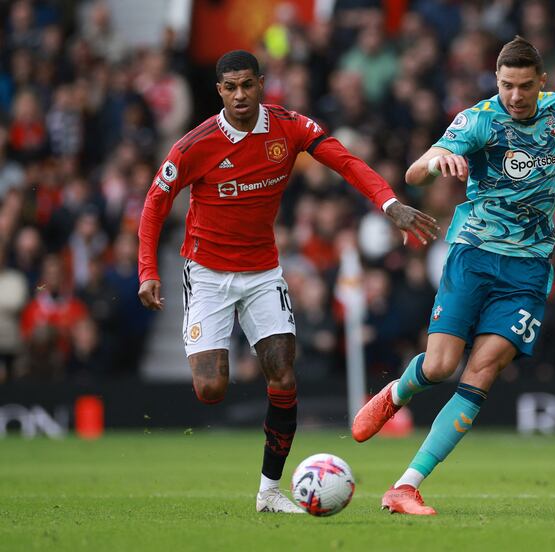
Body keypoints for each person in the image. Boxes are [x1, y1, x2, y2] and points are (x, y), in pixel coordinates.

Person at [351, 36, 555, 515]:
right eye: (507, 85)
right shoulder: (479, 120)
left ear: (542, 82)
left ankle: (405, 485)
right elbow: (412, 173)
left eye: (525, 86)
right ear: (496, 81)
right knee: (440, 365)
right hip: (474, 255)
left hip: (529, 270)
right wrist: (436, 162)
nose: (516, 96)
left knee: (482, 371)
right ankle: (396, 392)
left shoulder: (553, 110)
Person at [137, 50, 438, 513]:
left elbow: (346, 162)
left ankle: (269, 492)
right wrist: (148, 271)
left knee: (282, 375)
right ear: (219, 91)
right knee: (210, 390)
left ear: (261, 83)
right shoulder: (194, 145)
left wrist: (388, 203)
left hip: (262, 272)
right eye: (230, 87)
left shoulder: (289, 127)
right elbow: (156, 204)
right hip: (208, 272)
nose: (240, 95)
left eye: (248, 85)